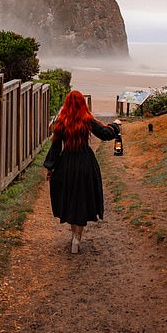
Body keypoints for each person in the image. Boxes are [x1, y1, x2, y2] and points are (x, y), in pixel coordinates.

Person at [43, 90, 121, 254]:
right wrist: (115, 124)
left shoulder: (61, 122)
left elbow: (55, 149)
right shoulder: (88, 120)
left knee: (72, 198)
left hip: (67, 165)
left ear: (67, 105)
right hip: (86, 164)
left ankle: (74, 238)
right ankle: (77, 238)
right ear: (82, 104)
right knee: (82, 199)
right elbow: (105, 134)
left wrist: (50, 168)